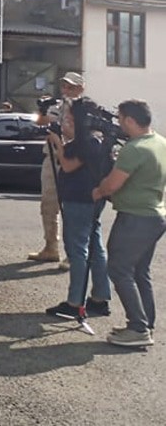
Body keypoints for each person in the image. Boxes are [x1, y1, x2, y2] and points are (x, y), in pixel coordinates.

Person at [92, 99, 166, 348]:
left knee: (119, 269)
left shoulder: (134, 149)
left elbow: (112, 184)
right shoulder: (160, 142)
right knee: (139, 271)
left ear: (131, 121)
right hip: (154, 216)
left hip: (135, 217)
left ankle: (138, 328)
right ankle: (145, 323)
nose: (119, 123)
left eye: (121, 118)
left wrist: (99, 190)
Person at [45, 94, 112, 319]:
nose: (67, 121)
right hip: (91, 199)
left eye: (70, 118)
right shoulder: (96, 139)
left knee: (77, 250)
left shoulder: (89, 142)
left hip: (80, 200)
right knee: (95, 248)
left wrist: (58, 143)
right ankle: (100, 297)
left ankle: (75, 302)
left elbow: (68, 165)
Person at [30, 73, 86, 269]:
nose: (66, 91)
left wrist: (61, 127)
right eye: (64, 86)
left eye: (71, 87)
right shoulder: (56, 106)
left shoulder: (84, 109)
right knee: (48, 205)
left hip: (72, 160)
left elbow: (78, 135)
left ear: (81, 89)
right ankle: (50, 247)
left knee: (71, 208)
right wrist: (42, 109)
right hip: (52, 158)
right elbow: (40, 122)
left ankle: (73, 253)